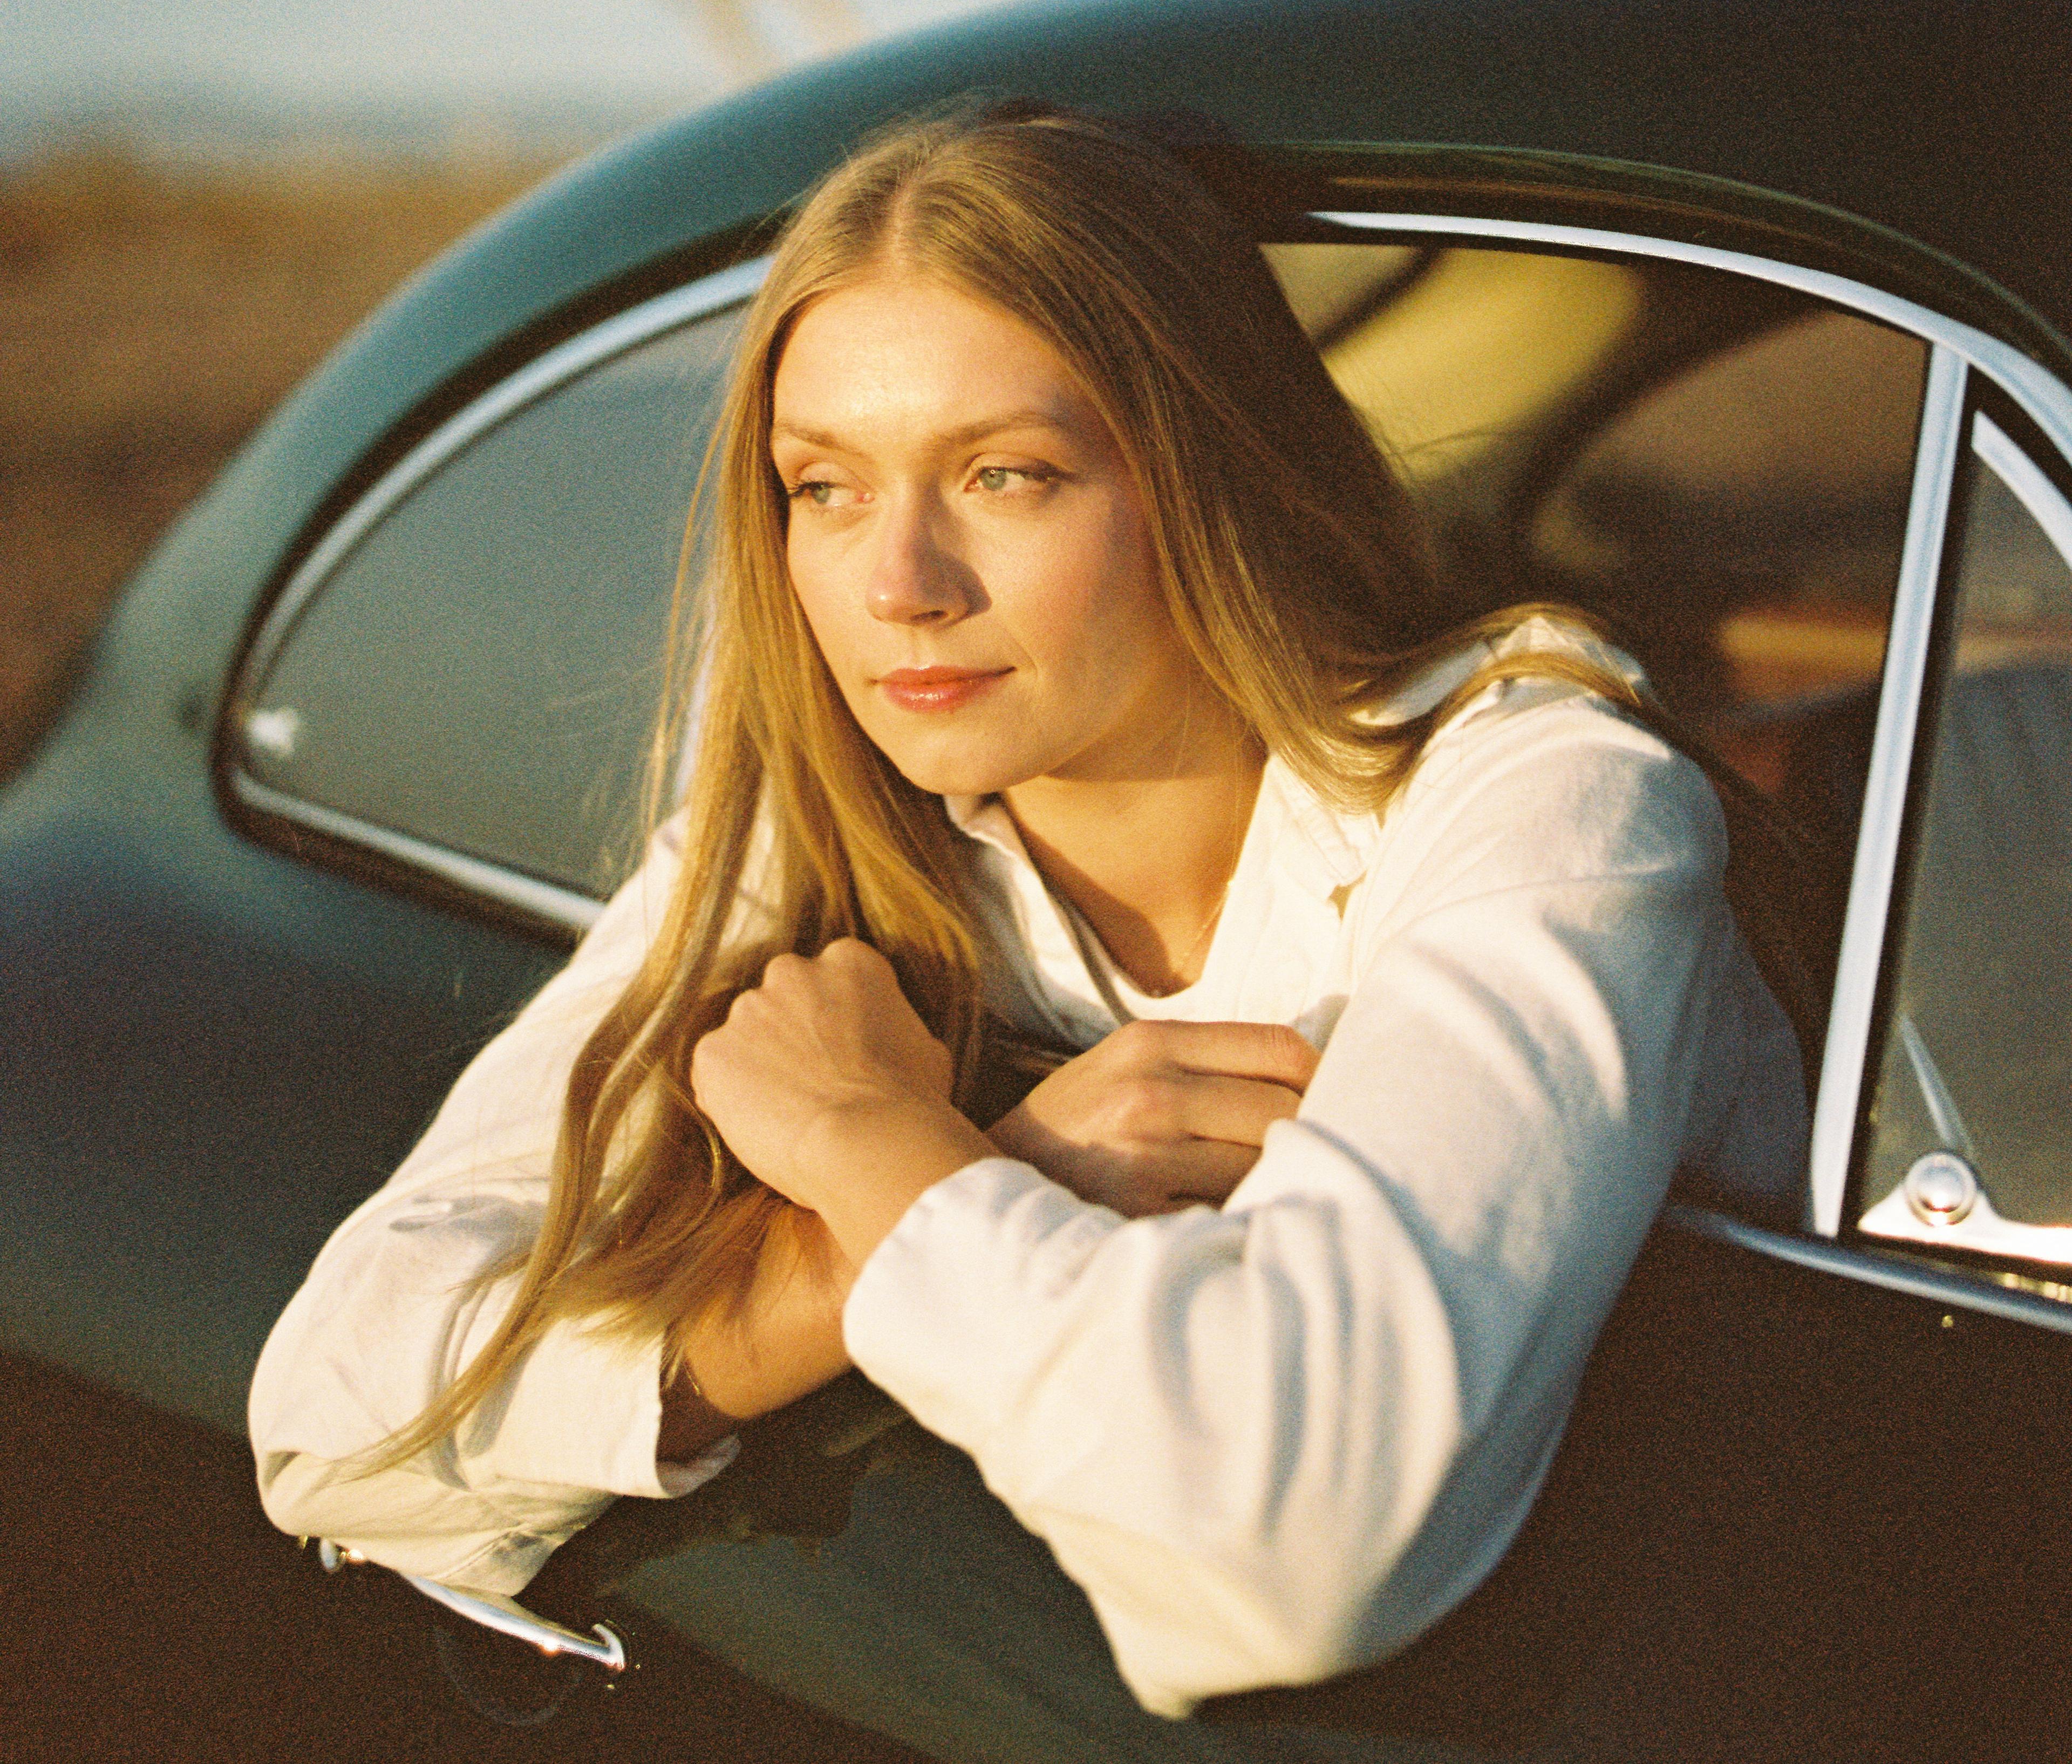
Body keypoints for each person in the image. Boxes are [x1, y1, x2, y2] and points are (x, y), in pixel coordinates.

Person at [249, 107, 1809, 1760]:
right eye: (824, 488)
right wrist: (918, 1213)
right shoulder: (825, 834)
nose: (899, 582)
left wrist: (880, 1148)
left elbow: (1289, 1542)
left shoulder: (1538, 793)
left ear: (1206, 473)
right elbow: (334, 1418)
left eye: (1008, 475)